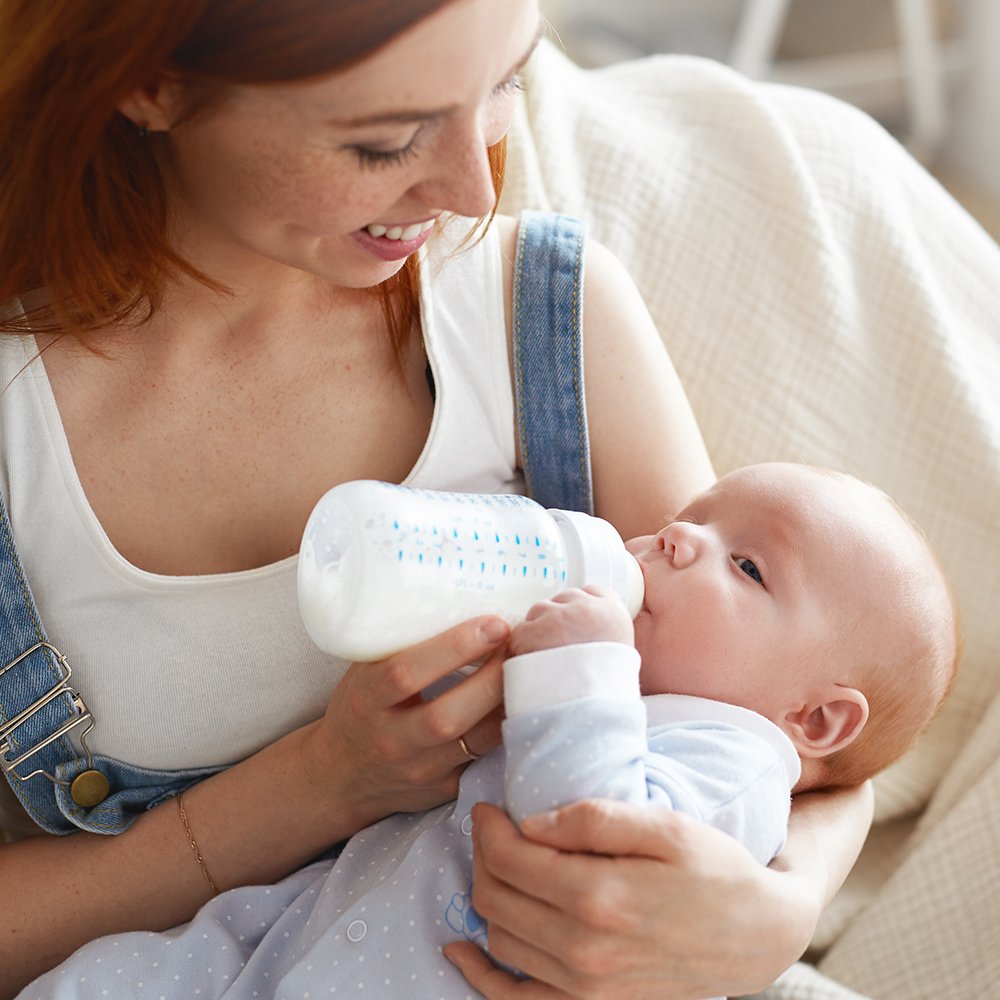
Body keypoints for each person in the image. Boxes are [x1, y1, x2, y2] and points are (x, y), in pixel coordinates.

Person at [0, 2, 873, 998]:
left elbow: (802, 714)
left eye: (507, 83)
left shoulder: (538, 318)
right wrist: (322, 782)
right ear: (148, 82)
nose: (470, 187)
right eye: (385, 141)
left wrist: (773, 912)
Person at [14, 462, 957, 1000]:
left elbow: (590, 836)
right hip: (292, 943)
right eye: (691, 518)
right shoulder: (618, 685)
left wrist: (579, 670)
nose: (674, 538)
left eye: (746, 566)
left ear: (816, 719)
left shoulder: (735, 756)